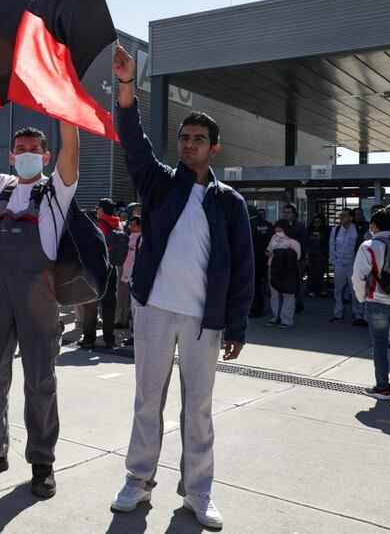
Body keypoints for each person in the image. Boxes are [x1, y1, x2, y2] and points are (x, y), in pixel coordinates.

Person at [108, 45, 253, 529]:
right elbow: (133, 140)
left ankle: (198, 491)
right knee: (147, 402)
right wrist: (126, 86)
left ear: (215, 148)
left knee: (199, 411)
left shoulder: (229, 202)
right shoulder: (159, 184)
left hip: (202, 322)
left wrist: (236, 326)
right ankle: (138, 480)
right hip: (153, 310)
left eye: (199, 139)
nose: (189, 144)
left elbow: (242, 269)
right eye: (184, 138)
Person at [0, 116, 80, 500]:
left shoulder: (56, 189)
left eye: (34, 150)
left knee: (39, 381)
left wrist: (66, 113)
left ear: (46, 157)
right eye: (20, 150)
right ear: (10, 156)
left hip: (39, 293)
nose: (26, 155)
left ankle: (42, 462)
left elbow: (71, 152)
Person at [351, 208, 390, 400]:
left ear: (374, 226)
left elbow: (358, 277)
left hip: (377, 301)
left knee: (380, 345)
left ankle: (383, 388)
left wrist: (362, 298)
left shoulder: (368, 246)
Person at [80, 198, 123, 349]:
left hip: (97, 269)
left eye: (98, 208)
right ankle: (109, 340)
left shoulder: (98, 225)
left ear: (101, 209)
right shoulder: (119, 225)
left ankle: (89, 339)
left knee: (91, 304)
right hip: (113, 269)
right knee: (109, 305)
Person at [329, 208, 367, 325]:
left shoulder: (357, 230)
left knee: (356, 290)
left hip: (353, 265)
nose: (342, 217)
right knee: (338, 290)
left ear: (351, 217)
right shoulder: (336, 230)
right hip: (339, 264)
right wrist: (334, 262)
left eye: (345, 215)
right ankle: (338, 314)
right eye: (341, 215)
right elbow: (332, 247)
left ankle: (358, 315)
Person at [265, 219, 301, 329]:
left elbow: (297, 256)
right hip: (273, 268)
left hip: (287, 271)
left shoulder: (293, 241)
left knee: (288, 295)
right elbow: (268, 249)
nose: (278, 232)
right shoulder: (274, 237)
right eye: (276, 230)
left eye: (280, 230)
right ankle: (275, 316)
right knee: (274, 295)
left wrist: (278, 254)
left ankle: (287, 319)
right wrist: (269, 253)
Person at [115, 215, 143, 341]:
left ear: (139, 226)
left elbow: (129, 261)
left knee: (135, 308)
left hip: (134, 279)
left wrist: (124, 277)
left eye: (133, 225)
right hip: (143, 278)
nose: (130, 227)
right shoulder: (145, 237)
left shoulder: (134, 239)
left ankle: (134, 336)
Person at [281, 204, 308, 313]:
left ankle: (300, 304)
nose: (286, 214)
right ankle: (287, 306)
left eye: (288, 212)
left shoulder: (299, 227)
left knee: (299, 282)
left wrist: (303, 259)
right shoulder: (280, 225)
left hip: (297, 259)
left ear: (293, 214)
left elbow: (304, 243)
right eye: (284, 212)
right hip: (283, 259)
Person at [249, 205, 273, 318]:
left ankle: (255, 308)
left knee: (254, 283)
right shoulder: (268, 225)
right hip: (266, 258)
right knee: (261, 283)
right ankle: (261, 307)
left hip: (253, 258)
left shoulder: (248, 224)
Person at [306, 214, 330, 297]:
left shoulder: (326, 231)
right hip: (312, 254)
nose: (316, 223)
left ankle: (322, 289)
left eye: (318, 222)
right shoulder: (309, 230)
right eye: (315, 222)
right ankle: (313, 289)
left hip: (321, 254)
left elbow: (327, 243)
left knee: (320, 272)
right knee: (312, 272)